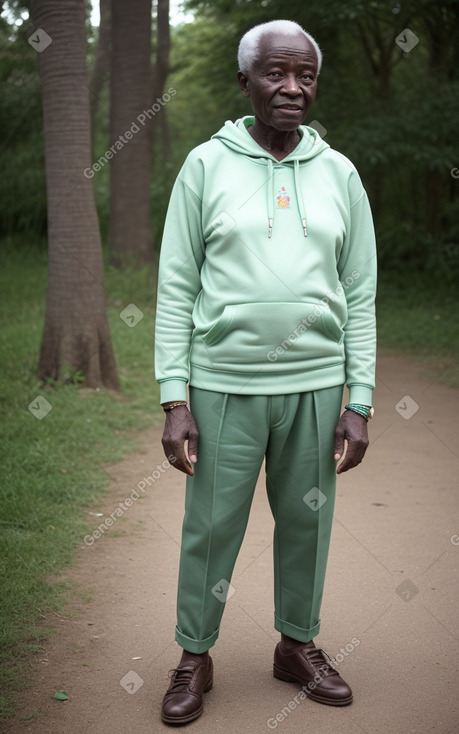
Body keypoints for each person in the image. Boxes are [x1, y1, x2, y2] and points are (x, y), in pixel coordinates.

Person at [155, 19, 376, 725]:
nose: (291, 88)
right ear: (243, 80)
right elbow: (174, 287)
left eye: (304, 74)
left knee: (306, 526)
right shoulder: (204, 166)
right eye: (275, 73)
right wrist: (173, 398)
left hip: (314, 388)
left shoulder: (339, 173)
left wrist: (359, 399)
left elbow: (361, 292)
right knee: (212, 527)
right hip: (223, 385)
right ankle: (195, 653)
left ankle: (296, 645)